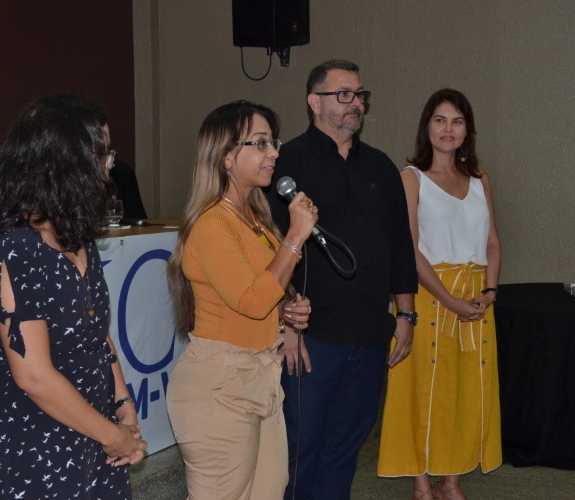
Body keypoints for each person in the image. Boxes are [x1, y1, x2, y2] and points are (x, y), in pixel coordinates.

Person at [0, 94, 147, 499]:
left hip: (97, 432)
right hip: (35, 445)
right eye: (101, 153)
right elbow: (34, 376)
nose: (110, 165)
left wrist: (124, 405)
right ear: (64, 162)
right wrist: (113, 436)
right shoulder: (11, 248)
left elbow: (96, 333)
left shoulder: (77, 235)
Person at [265, 59, 418, 499]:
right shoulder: (287, 164)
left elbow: (400, 245)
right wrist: (285, 324)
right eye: (344, 94)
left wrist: (405, 313)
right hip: (312, 337)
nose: (356, 104)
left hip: (369, 335)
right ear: (315, 102)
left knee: (344, 450)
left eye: (360, 95)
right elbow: (269, 247)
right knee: (301, 448)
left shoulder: (381, 166)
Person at [165, 100, 318, 499]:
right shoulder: (212, 224)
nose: (274, 153)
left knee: (270, 489)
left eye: (273, 142)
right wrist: (295, 237)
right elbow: (251, 301)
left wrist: (286, 311)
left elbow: (261, 295)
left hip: (259, 375)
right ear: (227, 156)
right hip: (219, 384)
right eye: (261, 143)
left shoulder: (254, 218)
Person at [377, 88, 502, 500]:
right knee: (422, 391)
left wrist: (490, 292)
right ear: (426, 126)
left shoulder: (480, 177)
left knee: (463, 392)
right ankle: (421, 486)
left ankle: (451, 481)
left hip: (476, 297)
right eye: (440, 120)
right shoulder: (410, 179)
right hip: (429, 297)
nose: (449, 129)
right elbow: (409, 250)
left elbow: (492, 241)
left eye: (457, 121)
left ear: (468, 130)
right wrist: (448, 300)